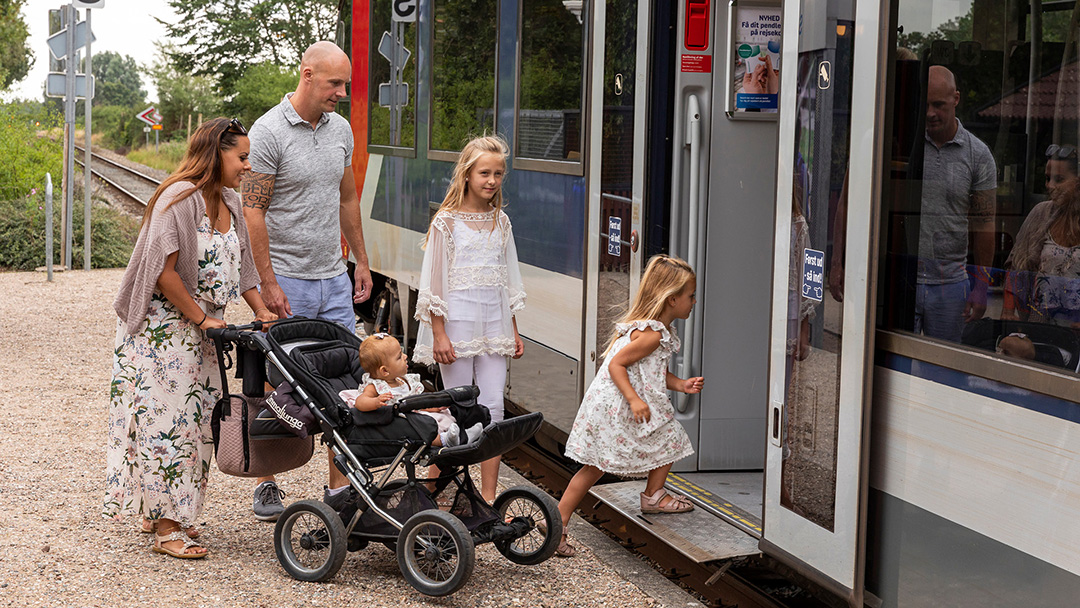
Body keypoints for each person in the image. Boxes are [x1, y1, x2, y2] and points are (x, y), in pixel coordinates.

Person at [105, 118, 278, 559]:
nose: (247, 165)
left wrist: (260, 309)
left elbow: (244, 269)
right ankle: (166, 527)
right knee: (170, 424)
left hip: (204, 332)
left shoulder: (233, 202)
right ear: (215, 153)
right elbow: (163, 273)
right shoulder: (177, 199)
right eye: (241, 157)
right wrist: (202, 319)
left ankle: (168, 512)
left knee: (198, 423)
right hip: (163, 333)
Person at [241, 40, 374, 521]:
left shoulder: (341, 130)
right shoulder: (268, 131)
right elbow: (252, 210)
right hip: (288, 280)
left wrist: (360, 260)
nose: (341, 92)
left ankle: (339, 488)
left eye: (345, 84)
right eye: (335, 83)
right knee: (278, 384)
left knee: (346, 380)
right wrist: (267, 281)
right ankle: (266, 482)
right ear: (307, 75)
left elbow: (348, 199)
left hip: (332, 278)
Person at [555, 254, 704, 558]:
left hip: (611, 406)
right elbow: (618, 366)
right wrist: (635, 400)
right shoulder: (651, 335)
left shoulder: (654, 330)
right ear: (672, 299)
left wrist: (681, 384)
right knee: (661, 442)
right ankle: (651, 496)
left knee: (597, 467)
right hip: (616, 407)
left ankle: (561, 521)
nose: (694, 302)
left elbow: (651, 371)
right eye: (691, 296)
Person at [413, 134, 526, 503]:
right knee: (458, 411)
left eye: (497, 174)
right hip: (457, 325)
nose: (491, 181)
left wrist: (513, 330)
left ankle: (488, 497)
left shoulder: (501, 221)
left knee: (493, 408)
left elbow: (506, 279)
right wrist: (439, 334)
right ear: (467, 174)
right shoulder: (446, 223)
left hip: (495, 326)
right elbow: (433, 283)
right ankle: (431, 491)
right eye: (484, 173)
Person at [915, 65, 997, 342]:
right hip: (900, 277)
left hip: (950, 283)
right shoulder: (904, 144)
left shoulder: (978, 155)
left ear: (956, 99)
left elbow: (985, 224)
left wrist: (982, 286)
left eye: (938, 104)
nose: (930, 113)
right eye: (924, 104)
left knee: (943, 372)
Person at [337, 333, 484, 449]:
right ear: (385, 371)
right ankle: (446, 440)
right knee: (424, 427)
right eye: (399, 357)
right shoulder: (376, 386)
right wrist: (375, 402)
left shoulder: (406, 381)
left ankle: (462, 435)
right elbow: (360, 402)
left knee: (442, 415)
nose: (405, 356)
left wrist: (435, 407)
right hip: (400, 424)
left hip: (415, 415)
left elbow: (417, 403)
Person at [1003, 144, 1080, 329]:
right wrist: (1007, 311)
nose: (1050, 186)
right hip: (1039, 326)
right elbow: (1015, 266)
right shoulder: (1041, 213)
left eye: (1059, 179)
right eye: (1047, 178)